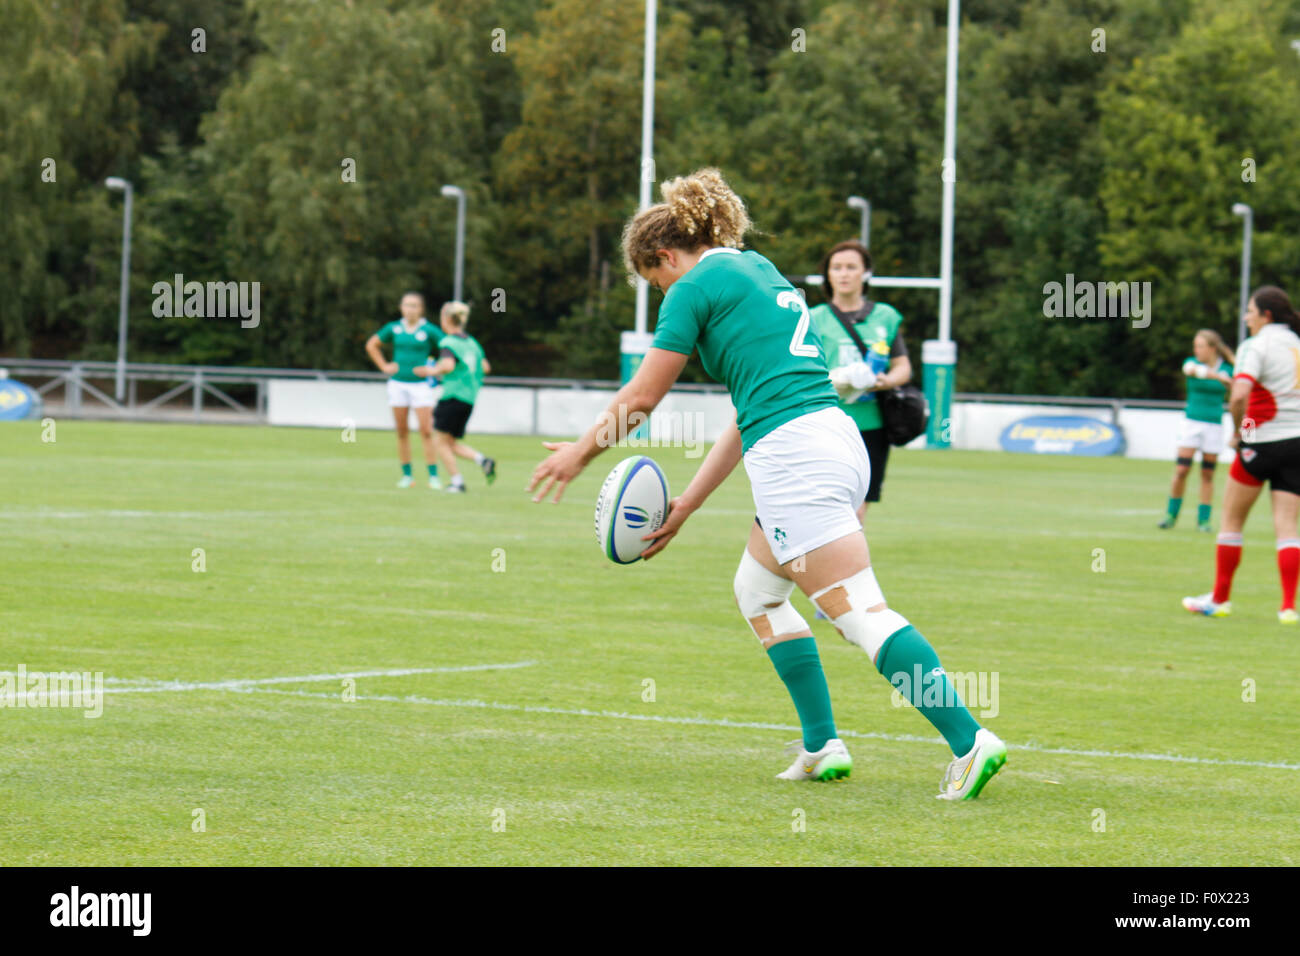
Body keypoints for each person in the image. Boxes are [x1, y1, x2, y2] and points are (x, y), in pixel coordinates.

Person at [527, 168, 1006, 799]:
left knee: (858, 612)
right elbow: (745, 414)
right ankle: (822, 745)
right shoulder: (757, 268)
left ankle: (970, 741)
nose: (661, 291)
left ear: (665, 256)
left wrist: (579, 454)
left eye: (654, 280)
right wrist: (687, 505)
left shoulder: (691, 288)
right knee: (758, 592)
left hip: (796, 456)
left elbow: (642, 396)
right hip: (832, 439)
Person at [1183, 286, 1300, 624]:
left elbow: (1239, 397)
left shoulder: (1256, 345)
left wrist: (1240, 434)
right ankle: (1288, 607)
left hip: (1260, 441)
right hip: (1297, 444)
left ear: (1266, 315)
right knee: (1288, 527)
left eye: (1250, 311)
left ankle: (1220, 599)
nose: (1246, 317)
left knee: (1232, 521)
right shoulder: (1296, 343)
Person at [808, 240, 912, 518]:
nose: (844, 274)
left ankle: (852, 547)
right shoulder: (813, 318)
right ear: (827, 274)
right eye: (837, 267)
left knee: (858, 504)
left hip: (871, 424)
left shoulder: (885, 317)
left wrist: (884, 381)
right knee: (822, 500)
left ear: (865, 273)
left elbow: (902, 367)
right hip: (826, 421)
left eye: (851, 267)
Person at [1159, 330, 1235, 531]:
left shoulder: (1228, 369)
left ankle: (1204, 520)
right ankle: (1171, 515)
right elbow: (1194, 371)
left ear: (1212, 348)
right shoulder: (1191, 363)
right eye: (1195, 346)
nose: (1196, 350)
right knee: (1182, 470)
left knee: (1208, 474)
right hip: (1191, 423)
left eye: (1200, 346)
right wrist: (1219, 378)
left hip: (1214, 425)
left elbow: (1238, 390)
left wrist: (1231, 382)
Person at [364, 292, 441, 489]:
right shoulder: (394, 328)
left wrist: (433, 369)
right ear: (401, 307)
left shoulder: (429, 330)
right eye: (407, 305)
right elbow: (372, 345)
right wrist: (384, 366)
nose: (410, 309)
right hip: (397, 384)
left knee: (426, 431)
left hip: (421, 386)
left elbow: (448, 349)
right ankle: (407, 476)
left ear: (421, 309)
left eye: (414, 305)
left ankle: (433, 476)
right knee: (401, 431)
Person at [422, 301, 495, 493]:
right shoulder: (473, 344)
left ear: (446, 318)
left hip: (452, 396)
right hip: (469, 399)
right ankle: (483, 460)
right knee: (450, 443)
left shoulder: (448, 342)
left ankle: (457, 483)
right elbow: (486, 367)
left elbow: (448, 366)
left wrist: (430, 371)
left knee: (440, 442)